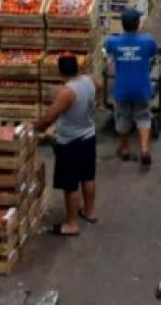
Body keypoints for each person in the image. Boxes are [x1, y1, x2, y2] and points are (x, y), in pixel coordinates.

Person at [35, 53, 98, 235]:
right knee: (88, 176)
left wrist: (35, 128)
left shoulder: (67, 92)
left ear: (60, 71)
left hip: (70, 141)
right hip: (88, 135)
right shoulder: (89, 81)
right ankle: (89, 211)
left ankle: (71, 224)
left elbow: (50, 117)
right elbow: (100, 87)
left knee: (70, 183)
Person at [103, 8, 159, 168]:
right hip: (142, 88)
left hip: (122, 88)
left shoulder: (114, 42)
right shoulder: (147, 41)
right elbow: (154, 52)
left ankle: (125, 148)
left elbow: (106, 50)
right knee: (143, 117)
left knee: (122, 117)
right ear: (138, 23)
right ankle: (144, 148)